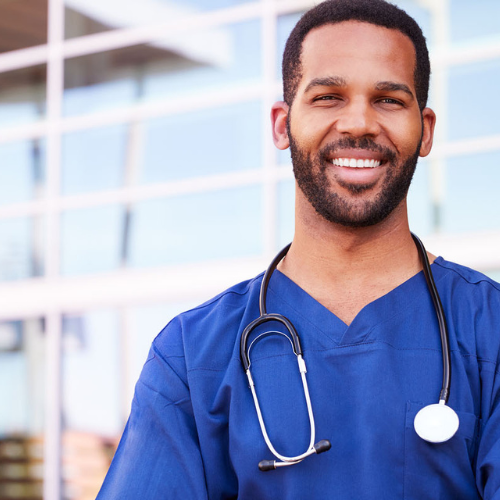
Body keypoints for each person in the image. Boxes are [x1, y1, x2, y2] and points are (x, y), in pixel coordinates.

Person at [97, 0, 500, 498]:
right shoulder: (191, 356)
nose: (359, 123)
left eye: (390, 100)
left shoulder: (491, 331)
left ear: (427, 131)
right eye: (328, 97)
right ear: (282, 125)